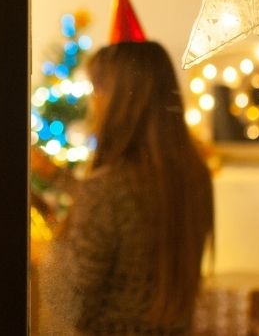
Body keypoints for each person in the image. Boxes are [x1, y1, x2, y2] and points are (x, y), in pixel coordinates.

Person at [38, 40, 214, 335]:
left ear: (118, 100)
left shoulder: (108, 189)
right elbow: (122, 210)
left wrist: (48, 252)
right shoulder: (191, 177)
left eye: (97, 91)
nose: (92, 104)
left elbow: (70, 303)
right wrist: (56, 177)